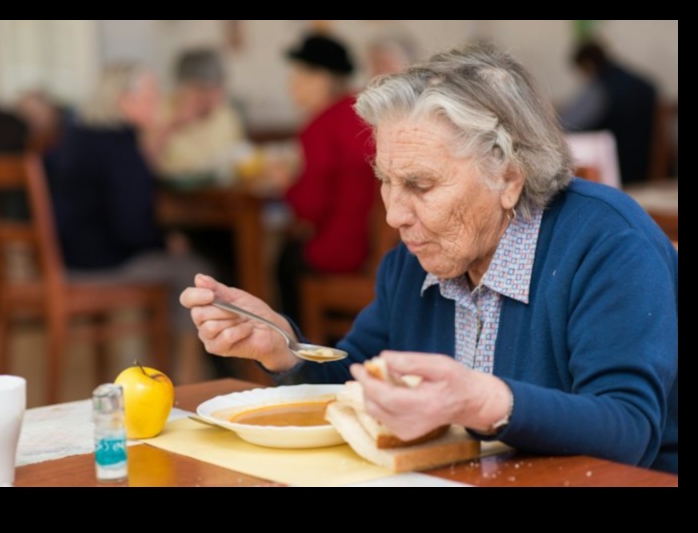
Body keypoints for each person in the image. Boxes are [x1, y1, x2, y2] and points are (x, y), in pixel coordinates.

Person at [181, 42, 678, 474]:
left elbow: (628, 428)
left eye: (420, 185)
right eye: (385, 181)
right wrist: (283, 348)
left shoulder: (607, 245)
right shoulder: (414, 261)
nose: (396, 214)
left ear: (507, 176)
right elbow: (357, 376)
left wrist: (482, 401)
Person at [45, 61, 217, 382]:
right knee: (195, 273)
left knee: (176, 261)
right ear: (124, 100)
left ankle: (166, 373)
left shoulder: (76, 138)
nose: (159, 99)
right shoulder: (120, 146)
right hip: (104, 264)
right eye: (151, 93)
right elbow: (133, 228)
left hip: (69, 257)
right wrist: (166, 241)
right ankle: (189, 380)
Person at [270, 32, 377, 323]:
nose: (292, 85)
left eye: (299, 76)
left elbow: (310, 208)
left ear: (321, 79)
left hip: (341, 249)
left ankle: (300, 351)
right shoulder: (365, 112)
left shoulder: (320, 125)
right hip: (379, 246)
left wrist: (286, 186)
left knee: (285, 262)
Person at [560, 40, 659, 185]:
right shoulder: (644, 85)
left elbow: (567, 124)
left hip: (614, 169)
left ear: (587, 64)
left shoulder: (600, 89)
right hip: (644, 164)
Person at [147, 47, 246, 182]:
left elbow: (239, 157)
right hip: (174, 196)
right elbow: (144, 161)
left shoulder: (226, 115)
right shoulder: (158, 111)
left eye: (217, 88)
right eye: (202, 90)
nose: (211, 98)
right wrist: (174, 123)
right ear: (181, 88)